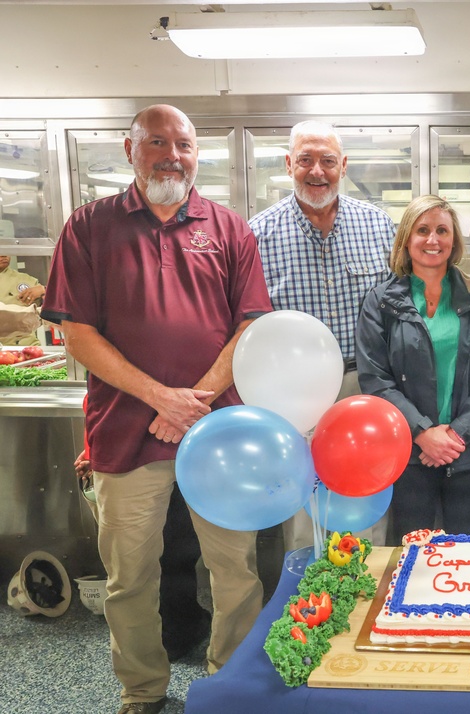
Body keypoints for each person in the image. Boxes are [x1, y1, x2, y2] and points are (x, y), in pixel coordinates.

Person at [41, 104, 272, 714]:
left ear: (199, 154)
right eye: (158, 143)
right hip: (124, 431)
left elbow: (251, 325)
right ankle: (142, 690)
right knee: (129, 577)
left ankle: (230, 685)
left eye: (185, 144)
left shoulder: (227, 228)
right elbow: (79, 333)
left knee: (235, 572)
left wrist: (190, 403)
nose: (173, 154)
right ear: (130, 149)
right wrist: (160, 398)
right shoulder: (89, 226)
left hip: (218, 431)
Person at [249, 120, 395, 548]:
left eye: (328, 161)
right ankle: (306, 606)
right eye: (306, 160)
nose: (317, 171)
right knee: (302, 508)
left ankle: (364, 603)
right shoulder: (258, 234)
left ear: (343, 165)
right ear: (288, 163)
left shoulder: (378, 227)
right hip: (293, 394)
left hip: (362, 384)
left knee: (364, 498)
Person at [356, 195, 470, 543]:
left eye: (442, 230)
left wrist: (456, 436)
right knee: (412, 557)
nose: (433, 240)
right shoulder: (380, 302)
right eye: (422, 230)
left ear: (454, 240)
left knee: (467, 558)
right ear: (406, 239)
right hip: (409, 454)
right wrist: (422, 432)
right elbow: (375, 379)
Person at [75, 395, 211, 663]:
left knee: (159, 559)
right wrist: (93, 452)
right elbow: (96, 402)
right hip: (154, 453)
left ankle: (173, 633)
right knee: (163, 557)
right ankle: (175, 633)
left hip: (147, 453)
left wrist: (94, 452)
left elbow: (98, 401)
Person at [0, 254, 44, 345]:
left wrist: (44, 290)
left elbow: (55, 305)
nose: (4, 255)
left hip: (25, 346)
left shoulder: (26, 280)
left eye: (6, 251)